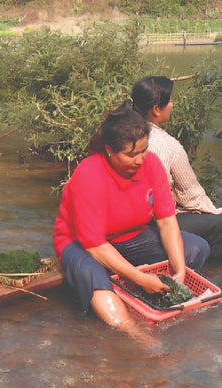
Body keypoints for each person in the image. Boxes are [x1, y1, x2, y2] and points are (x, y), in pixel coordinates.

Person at [52, 102, 210, 336]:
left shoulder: (151, 164)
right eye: (130, 154)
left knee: (197, 248)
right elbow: (95, 245)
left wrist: (179, 273)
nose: (139, 160)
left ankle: (136, 294)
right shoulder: (89, 174)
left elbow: (166, 221)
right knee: (94, 275)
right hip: (84, 243)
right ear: (109, 150)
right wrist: (140, 278)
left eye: (143, 151)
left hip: (133, 236)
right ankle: (135, 335)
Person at [131, 75, 222, 259]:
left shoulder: (119, 130)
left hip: (127, 218)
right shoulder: (167, 145)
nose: (172, 104)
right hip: (152, 223)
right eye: (170, 100)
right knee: (218, 223)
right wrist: (216, 212)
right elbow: (192, 198)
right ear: (156, 109)